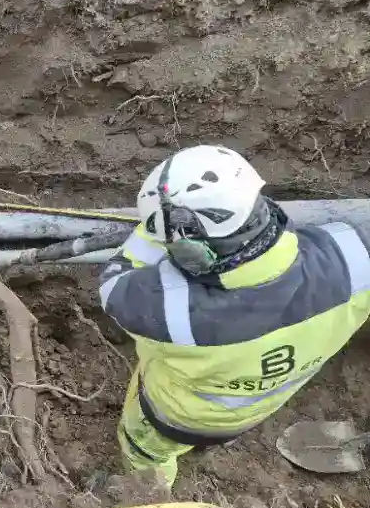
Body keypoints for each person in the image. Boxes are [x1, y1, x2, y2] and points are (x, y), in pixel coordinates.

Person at [100, 144, 370, 488]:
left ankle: (148, 492)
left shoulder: (169, 310)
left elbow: (114, 281)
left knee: (145, 450)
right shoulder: (354, 258)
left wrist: (154, 231)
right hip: (266, 403)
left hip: (174, 417)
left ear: (193, 251)